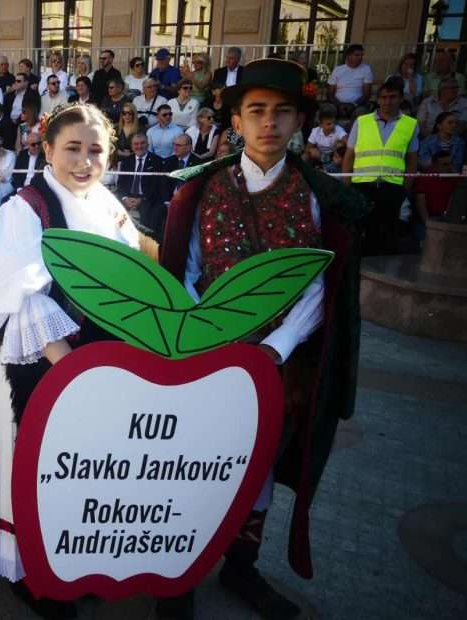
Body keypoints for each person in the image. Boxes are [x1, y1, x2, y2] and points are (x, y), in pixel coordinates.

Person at [159, 58, 370, 620]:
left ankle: (241, 568)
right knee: (194, 465)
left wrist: (277, 347)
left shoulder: (317, 196)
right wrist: (210, 337)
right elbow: (187, 270)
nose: (269, 122)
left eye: (281, 111)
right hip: (210, 360)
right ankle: (177, 576)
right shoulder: (202, 189)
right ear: (236, 120)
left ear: (299, 120)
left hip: (283, 364)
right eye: (256, 111)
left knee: (260, 469)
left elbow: (323, 283)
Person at [0, 103, 145, 619]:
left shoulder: (107, 205)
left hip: (95, 359)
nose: (85, 162)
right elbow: (20, 299)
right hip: (39, 358)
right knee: (36, 462)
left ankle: (72, 559)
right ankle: (31, 571)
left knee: (82, 466)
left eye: (95, 151)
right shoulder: (25, 210)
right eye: (73, 149)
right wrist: (73, 373)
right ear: (47, 150)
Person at [344, 79, 419, 256]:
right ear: (378, 100)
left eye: (393, 97)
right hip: (362, 185)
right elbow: (349, 156)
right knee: (358, 234)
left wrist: (405, 189)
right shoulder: (362, 122)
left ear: (401, 98)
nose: (388, 101)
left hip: (392, 187)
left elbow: (412, 159)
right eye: (384, 97)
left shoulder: (410, 124)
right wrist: (347, 186)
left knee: (386, 236)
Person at [116, 132, 161, 233]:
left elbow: (156, 186)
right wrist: (125, 198)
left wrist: (142, 198)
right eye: (136, 144)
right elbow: (121, 183)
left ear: (148, 144)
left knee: (149, 214)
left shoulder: (157, 161)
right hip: (128, 196)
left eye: (142, 143)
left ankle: (145, 239)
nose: (139, 146)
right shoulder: (127, 161)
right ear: (132, 146)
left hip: (146, 197)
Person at [413, 150, 459, 239]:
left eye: (451, 164)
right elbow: (420, 203)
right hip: (427, 219)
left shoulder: (454, 178)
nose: (449, 167)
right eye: (445, 165)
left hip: (448, 220)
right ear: (434, 165)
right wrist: (428, 224)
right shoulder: (423, 178)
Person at [327, 44, 373, 119]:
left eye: (362, 55)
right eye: (357, 55)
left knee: (361, 112)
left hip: (358, 105)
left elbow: (366, 94)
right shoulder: (338, 69)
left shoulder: (366, 69)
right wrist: (338, 105)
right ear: (348, 56)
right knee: (327, 110)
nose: (360, 57)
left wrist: (354, 105)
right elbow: (330, 93)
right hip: (337, 104)